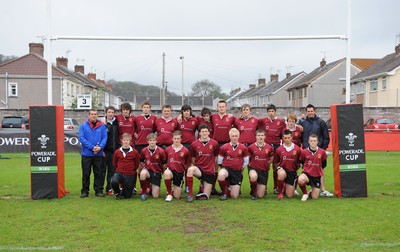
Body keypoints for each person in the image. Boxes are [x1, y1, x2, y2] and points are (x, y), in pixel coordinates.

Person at [299, 104, 332, 197]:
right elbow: (301, 137)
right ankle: (310, 189)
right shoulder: (303, 123)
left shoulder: (321, 122)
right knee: (307, 169)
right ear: (306, 112)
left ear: (314, 111)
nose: (310, 113)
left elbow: (326, 137)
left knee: (320, 170)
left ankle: (323, 189)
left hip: (318, 151)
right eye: (308, 111)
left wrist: (323, 149)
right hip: (307, 151)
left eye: (311, 111)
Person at [78, 109, 108, 198]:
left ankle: (98, 191)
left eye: (95, 114)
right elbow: (81, 138)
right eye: (92, 114)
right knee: (86, 173)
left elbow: (104, 137)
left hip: (98, 154)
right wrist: (92, 147)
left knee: (98, 173)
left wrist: (100, 147)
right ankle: (85, 191)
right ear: (89, 115)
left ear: (97, 115)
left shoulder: (102, 126)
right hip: (86, 154)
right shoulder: (83, 126)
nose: (93, 115)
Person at [186, 124, 219, 202]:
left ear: (208, 132)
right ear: (199, 133)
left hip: (209, 172)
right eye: (202, 132)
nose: (204, 133)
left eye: (206, 131)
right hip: (200, 170)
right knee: (190, 170)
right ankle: (190, 195)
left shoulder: (214, 143)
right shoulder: (194, 144)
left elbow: (216, 158)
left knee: (205, 196)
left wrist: (215, 169)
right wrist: (197, 167)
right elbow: (193, 159)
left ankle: (202, 187)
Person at [258, 104, 286, 194]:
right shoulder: (262, 121)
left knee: (276, 167)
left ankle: (276, 187)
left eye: (272, 111)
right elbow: (253, 121)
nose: (271, 113)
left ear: (275, 112)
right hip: (266, 147)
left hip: (277, 146)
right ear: (267, 112)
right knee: (265, 167)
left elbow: (284, 135)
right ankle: (264, 187)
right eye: (269, 111)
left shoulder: (280, 122)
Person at [217, 128, 249, 200]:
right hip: (227, 169)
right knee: (221, 174)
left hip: (237, 171)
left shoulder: (243, 148)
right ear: (230, 137)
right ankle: (224, 193)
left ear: (239, 136)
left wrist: (242, 167)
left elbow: (246, 161)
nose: (234, 138)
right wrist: (223, 168)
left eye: (236, 136)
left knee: (234, 196)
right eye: (233, 136)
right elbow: (219, 161)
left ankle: (228, 189)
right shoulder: (224, 147)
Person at [297, 134, 328, 201]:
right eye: (311, 141)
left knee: (314, 197)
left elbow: (324, 163)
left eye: (314, 141)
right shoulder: (304, 152)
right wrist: (306, 169)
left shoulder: (322, 152)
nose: (313, 142)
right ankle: (305, 194)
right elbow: (301, 161)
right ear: (308, 142)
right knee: (300, 179)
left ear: (317, 142)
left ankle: (310, 191)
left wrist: (318, 169)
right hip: (307, 174)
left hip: (316, 176)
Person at [275, 129, 303, 200]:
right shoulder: (279, 149)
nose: (287, 140)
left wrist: (296, 169)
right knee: (281, 174)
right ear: (283, 138)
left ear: (291, 138)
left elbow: (300, 162)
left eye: (288, 138)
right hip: (283, 169)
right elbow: (275, 162)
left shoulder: (297, 149)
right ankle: (280, 193)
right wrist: (278, 169)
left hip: (292, 171)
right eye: (285, 138)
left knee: (290, 195)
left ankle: (287, 185)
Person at [163, 130, 191, 202]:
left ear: (181, 139)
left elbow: (187, 163)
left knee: (177, 196)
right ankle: (169, 193)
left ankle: (173, 190)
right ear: (172, 139)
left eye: (178, 138)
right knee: (167, 173)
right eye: (175, 138)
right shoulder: (168, 149)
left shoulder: (185, 150)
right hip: (170, 170)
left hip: (179, 173)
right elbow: (164, 162)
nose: (176, 140)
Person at [110, 133, 140, 199]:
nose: (126, 141)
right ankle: (117, 192)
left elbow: (136, 164)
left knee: (127, 196)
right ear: (121, 141)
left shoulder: (135, 152)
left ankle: (124, 191)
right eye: (124, 140)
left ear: (130, 141)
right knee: (114, 181)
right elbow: (114, 163)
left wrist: (131, 170)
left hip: (130, 174)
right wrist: (119, 170)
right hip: (119, 173)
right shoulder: (117, 152)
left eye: (127, 140)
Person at [247, 129, 274, 200]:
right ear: (255, 136)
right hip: (253, 169)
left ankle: (255, 189)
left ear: (265, 137)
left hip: (263, 171)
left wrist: (266, 163)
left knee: (261, 195)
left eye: (262, 135)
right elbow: (248, 159)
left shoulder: (269, 147)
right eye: (258, 135)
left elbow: (271, 158)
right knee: (253, 176)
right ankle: (253, 192)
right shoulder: (251, 147)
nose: (260, 137)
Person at [139, 133, 167, 200]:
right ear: (147, 141)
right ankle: (144, 193)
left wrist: (161, 173)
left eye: (153, 140)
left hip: (157, 172)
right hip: (148, 171)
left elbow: (164, 164)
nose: (152, 142)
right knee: (143, 174)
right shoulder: (144, 150)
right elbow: (141, 161)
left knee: (155, 196)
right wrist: (143, 168)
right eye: (150, 140)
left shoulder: (161, 151)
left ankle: (151, 188)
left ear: (156, 141)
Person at [102, 106, 119, 196]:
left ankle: (109, 189)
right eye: (109, 112)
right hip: (104, 152)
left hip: (114, 152)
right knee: (102, 171)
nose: (111, 114)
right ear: (106, 113)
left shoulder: (117, 122)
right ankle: (99, 189)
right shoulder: (102, 123)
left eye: (112, 112)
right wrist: (102, 150)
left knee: (112, 172)